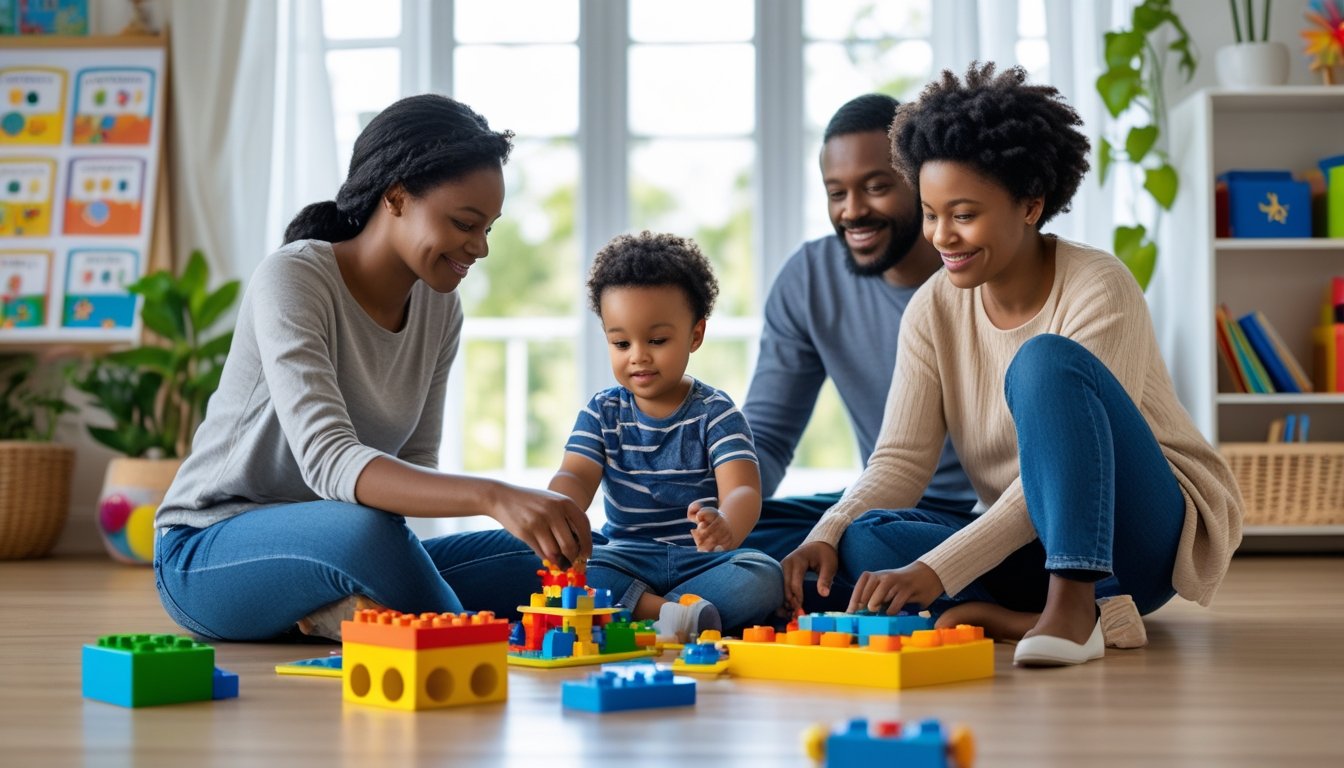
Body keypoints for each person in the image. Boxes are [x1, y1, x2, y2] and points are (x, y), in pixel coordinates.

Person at [780, 63, 1244, 667]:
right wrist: (827, 532)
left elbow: (1065, 471)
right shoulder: (931, 309)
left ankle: (1076, 611)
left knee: (1042, 363)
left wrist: (937, 568)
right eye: (930, 213)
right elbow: (899, 460)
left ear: (1030, 204)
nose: (941, 236)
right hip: (1037, 538)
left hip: (1139, 534)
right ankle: (1037, 615)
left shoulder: (1098, 285)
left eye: (964, 214)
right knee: (869, 539)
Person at [154, 95, 591, 642]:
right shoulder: (294, 279)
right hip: (208, 552)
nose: (479, 248)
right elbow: (329, 460)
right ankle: (459, 645)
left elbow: (414, 462)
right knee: (364, 532)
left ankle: (358, 615)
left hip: (340, 545)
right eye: (464, 223)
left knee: (526, 554)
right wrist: (493, 495)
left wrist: (516, 513)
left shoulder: (440, 308)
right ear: (397, 197)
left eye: (489, 228)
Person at [741, 94, 977, 568]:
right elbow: (764, 439)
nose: (852, 211)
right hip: (879, 504)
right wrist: (713, 509)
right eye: (836, 193)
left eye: (875, 187)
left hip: (981, 512)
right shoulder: (810, 279)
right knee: (748, 533)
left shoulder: (977, 272)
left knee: (864, 542)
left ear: (921, 184)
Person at [547, 231, 783, 642]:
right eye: (621, 342)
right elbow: (575, 475)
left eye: (656, 340)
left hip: (702, 561)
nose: (638, 354)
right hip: (626, 557)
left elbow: (743, 488)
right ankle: (679, 617)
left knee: (763, 575)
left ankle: (645, 614)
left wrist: (726, 523)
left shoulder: (715, 412)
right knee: (575, 570)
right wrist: (560, 508)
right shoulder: (603, 412)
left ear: (695, 335)